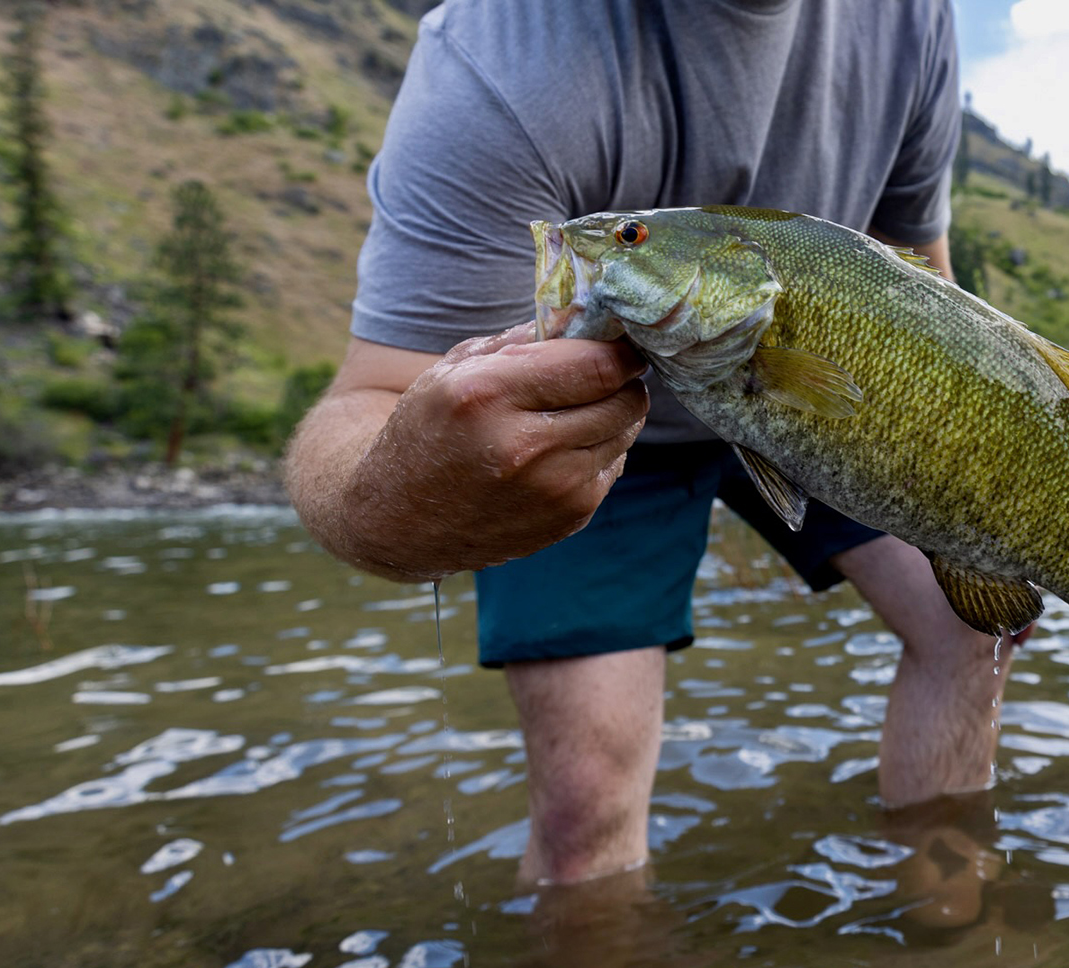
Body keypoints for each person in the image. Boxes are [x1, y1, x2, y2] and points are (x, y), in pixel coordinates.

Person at [285, 0, 1026, 887]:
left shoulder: (914, 20)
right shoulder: (500, 60)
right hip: (581, 418)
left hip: (811, 386)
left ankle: (943, 932)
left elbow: (924, 281)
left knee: (979, 615)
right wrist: (408, 491)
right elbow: (368, 398)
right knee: (586, 799)